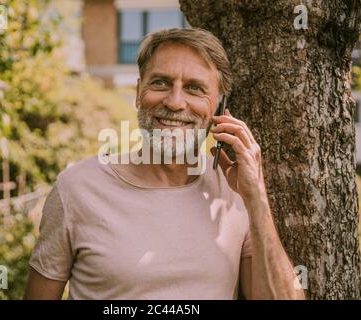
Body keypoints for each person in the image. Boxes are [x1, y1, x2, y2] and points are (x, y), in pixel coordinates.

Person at [24, 28, 305, 300]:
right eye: (160, 83)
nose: (174, 102)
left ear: (219, 108)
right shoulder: (76, 189)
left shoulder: (235, 192)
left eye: (194, 88)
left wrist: (256, 196)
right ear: (138, 92)